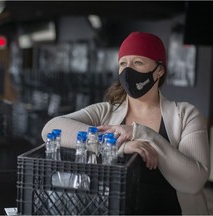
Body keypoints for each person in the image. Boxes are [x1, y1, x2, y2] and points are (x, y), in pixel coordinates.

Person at [41, 32, 210, 215]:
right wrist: (116, 144)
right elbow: (51, 128)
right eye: (123, 63)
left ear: (159, 70)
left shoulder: (185, 115)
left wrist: (143, 133)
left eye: (138, 62)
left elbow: (194, 183)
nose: (128, 70)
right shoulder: (105, 112)